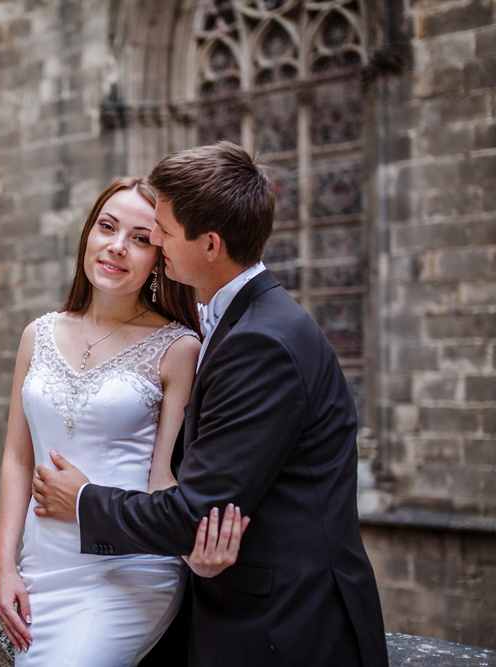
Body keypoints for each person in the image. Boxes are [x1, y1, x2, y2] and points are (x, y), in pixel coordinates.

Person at [31, 141, 389, 666]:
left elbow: (196, 511)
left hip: (289, 628)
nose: (155, 239)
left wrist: (84, 500)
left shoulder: (262, 339)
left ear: (212, 244)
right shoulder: (235, 319)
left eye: (165, 231)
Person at [0, 177, 248, 666]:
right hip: (42, 566)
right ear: (88, 233)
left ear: (160, 258)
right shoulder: (37, 334)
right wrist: (5, 566)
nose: (117, 247)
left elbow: (163, 480)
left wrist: (195, 550)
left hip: (127, 571)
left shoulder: (178, 348)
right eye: (107, 227)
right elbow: (17, 457)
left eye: (141, 238)